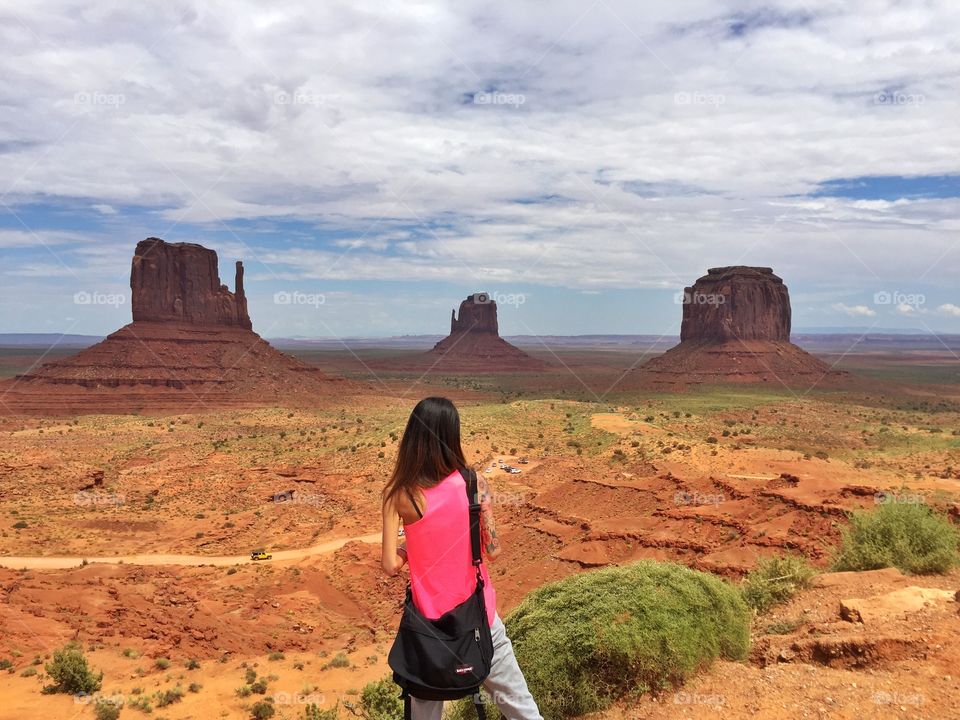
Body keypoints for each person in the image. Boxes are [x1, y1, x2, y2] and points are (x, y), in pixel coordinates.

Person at [382, 396, 543, 720]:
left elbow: (390, 566)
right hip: (479, 619)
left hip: (427, 630)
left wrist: (410, 544)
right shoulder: (474, 483)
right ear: (451, 436)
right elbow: (493, 552)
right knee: (520, 708)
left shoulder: (398, 494)